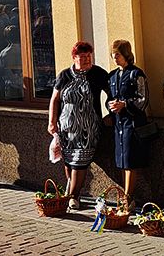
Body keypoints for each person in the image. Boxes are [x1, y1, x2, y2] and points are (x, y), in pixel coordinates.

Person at [48, 41, 110, 209]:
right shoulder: (64, 75)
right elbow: (55, 99)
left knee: (79, 161)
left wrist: (110, 115)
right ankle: (72, 191)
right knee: (69, 160)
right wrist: (52, 121)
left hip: (88, 128)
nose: (86, 59)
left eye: (89, 56)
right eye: (82, 57)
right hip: (67, 128)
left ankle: (72, 197)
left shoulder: (98, 74)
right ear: (74, 57)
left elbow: (113, 94)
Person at [108, 39, 150, 204]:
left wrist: (125, 104)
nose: (115, 58)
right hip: (118, 123)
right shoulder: (112, 76)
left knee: (130, 161)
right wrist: (110, 105)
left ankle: (128, 197)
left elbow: (143, 99)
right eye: (112, 55)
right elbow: (110, 98)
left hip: (132, 123)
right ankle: (125, 195)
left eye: (117, 55)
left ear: (126, 54)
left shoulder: (136, 74)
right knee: (121, 159)